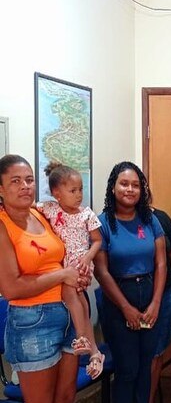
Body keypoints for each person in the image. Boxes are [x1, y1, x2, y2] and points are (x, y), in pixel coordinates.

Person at [0, 154, 88, 403]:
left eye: (29, 180)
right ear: (1, 188)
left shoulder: (41, 214)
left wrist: (76, 275)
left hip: (66, 314)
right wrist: (61, 277)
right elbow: (11, 288)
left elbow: (60, 261)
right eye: (15, 181)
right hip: (31, 323)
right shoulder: (2, 225)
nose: (25, 186)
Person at [94, 161, 167, 403]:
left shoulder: (150, 220)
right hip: (118, 299)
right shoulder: (102, 222)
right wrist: (125, 307)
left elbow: (161, 263)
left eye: (136, 185)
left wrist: (156, 303)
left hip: (149, 294)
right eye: (124, 184)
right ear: (113, 187)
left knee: (145, 365)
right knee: (127, 369)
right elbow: (101, 271)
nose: (130, 189)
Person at [38, 162, 105, 378]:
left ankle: (83, 338)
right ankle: (94, 351)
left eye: (81, 190)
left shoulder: (86, 214)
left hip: (80, 264)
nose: (78, 195)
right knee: (80, 300)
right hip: (63, 265)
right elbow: (27, 208)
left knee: (70, 293)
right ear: (57, 193)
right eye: (73, 190)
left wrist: (87, 257)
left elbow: (97, 241)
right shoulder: (49, 209)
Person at [147, 205, 171, 403]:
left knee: (156, 351)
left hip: (166, 291)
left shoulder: (160, 217)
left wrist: (159, 258)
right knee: (137, 354)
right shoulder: (111, 221)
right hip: (131, 296)